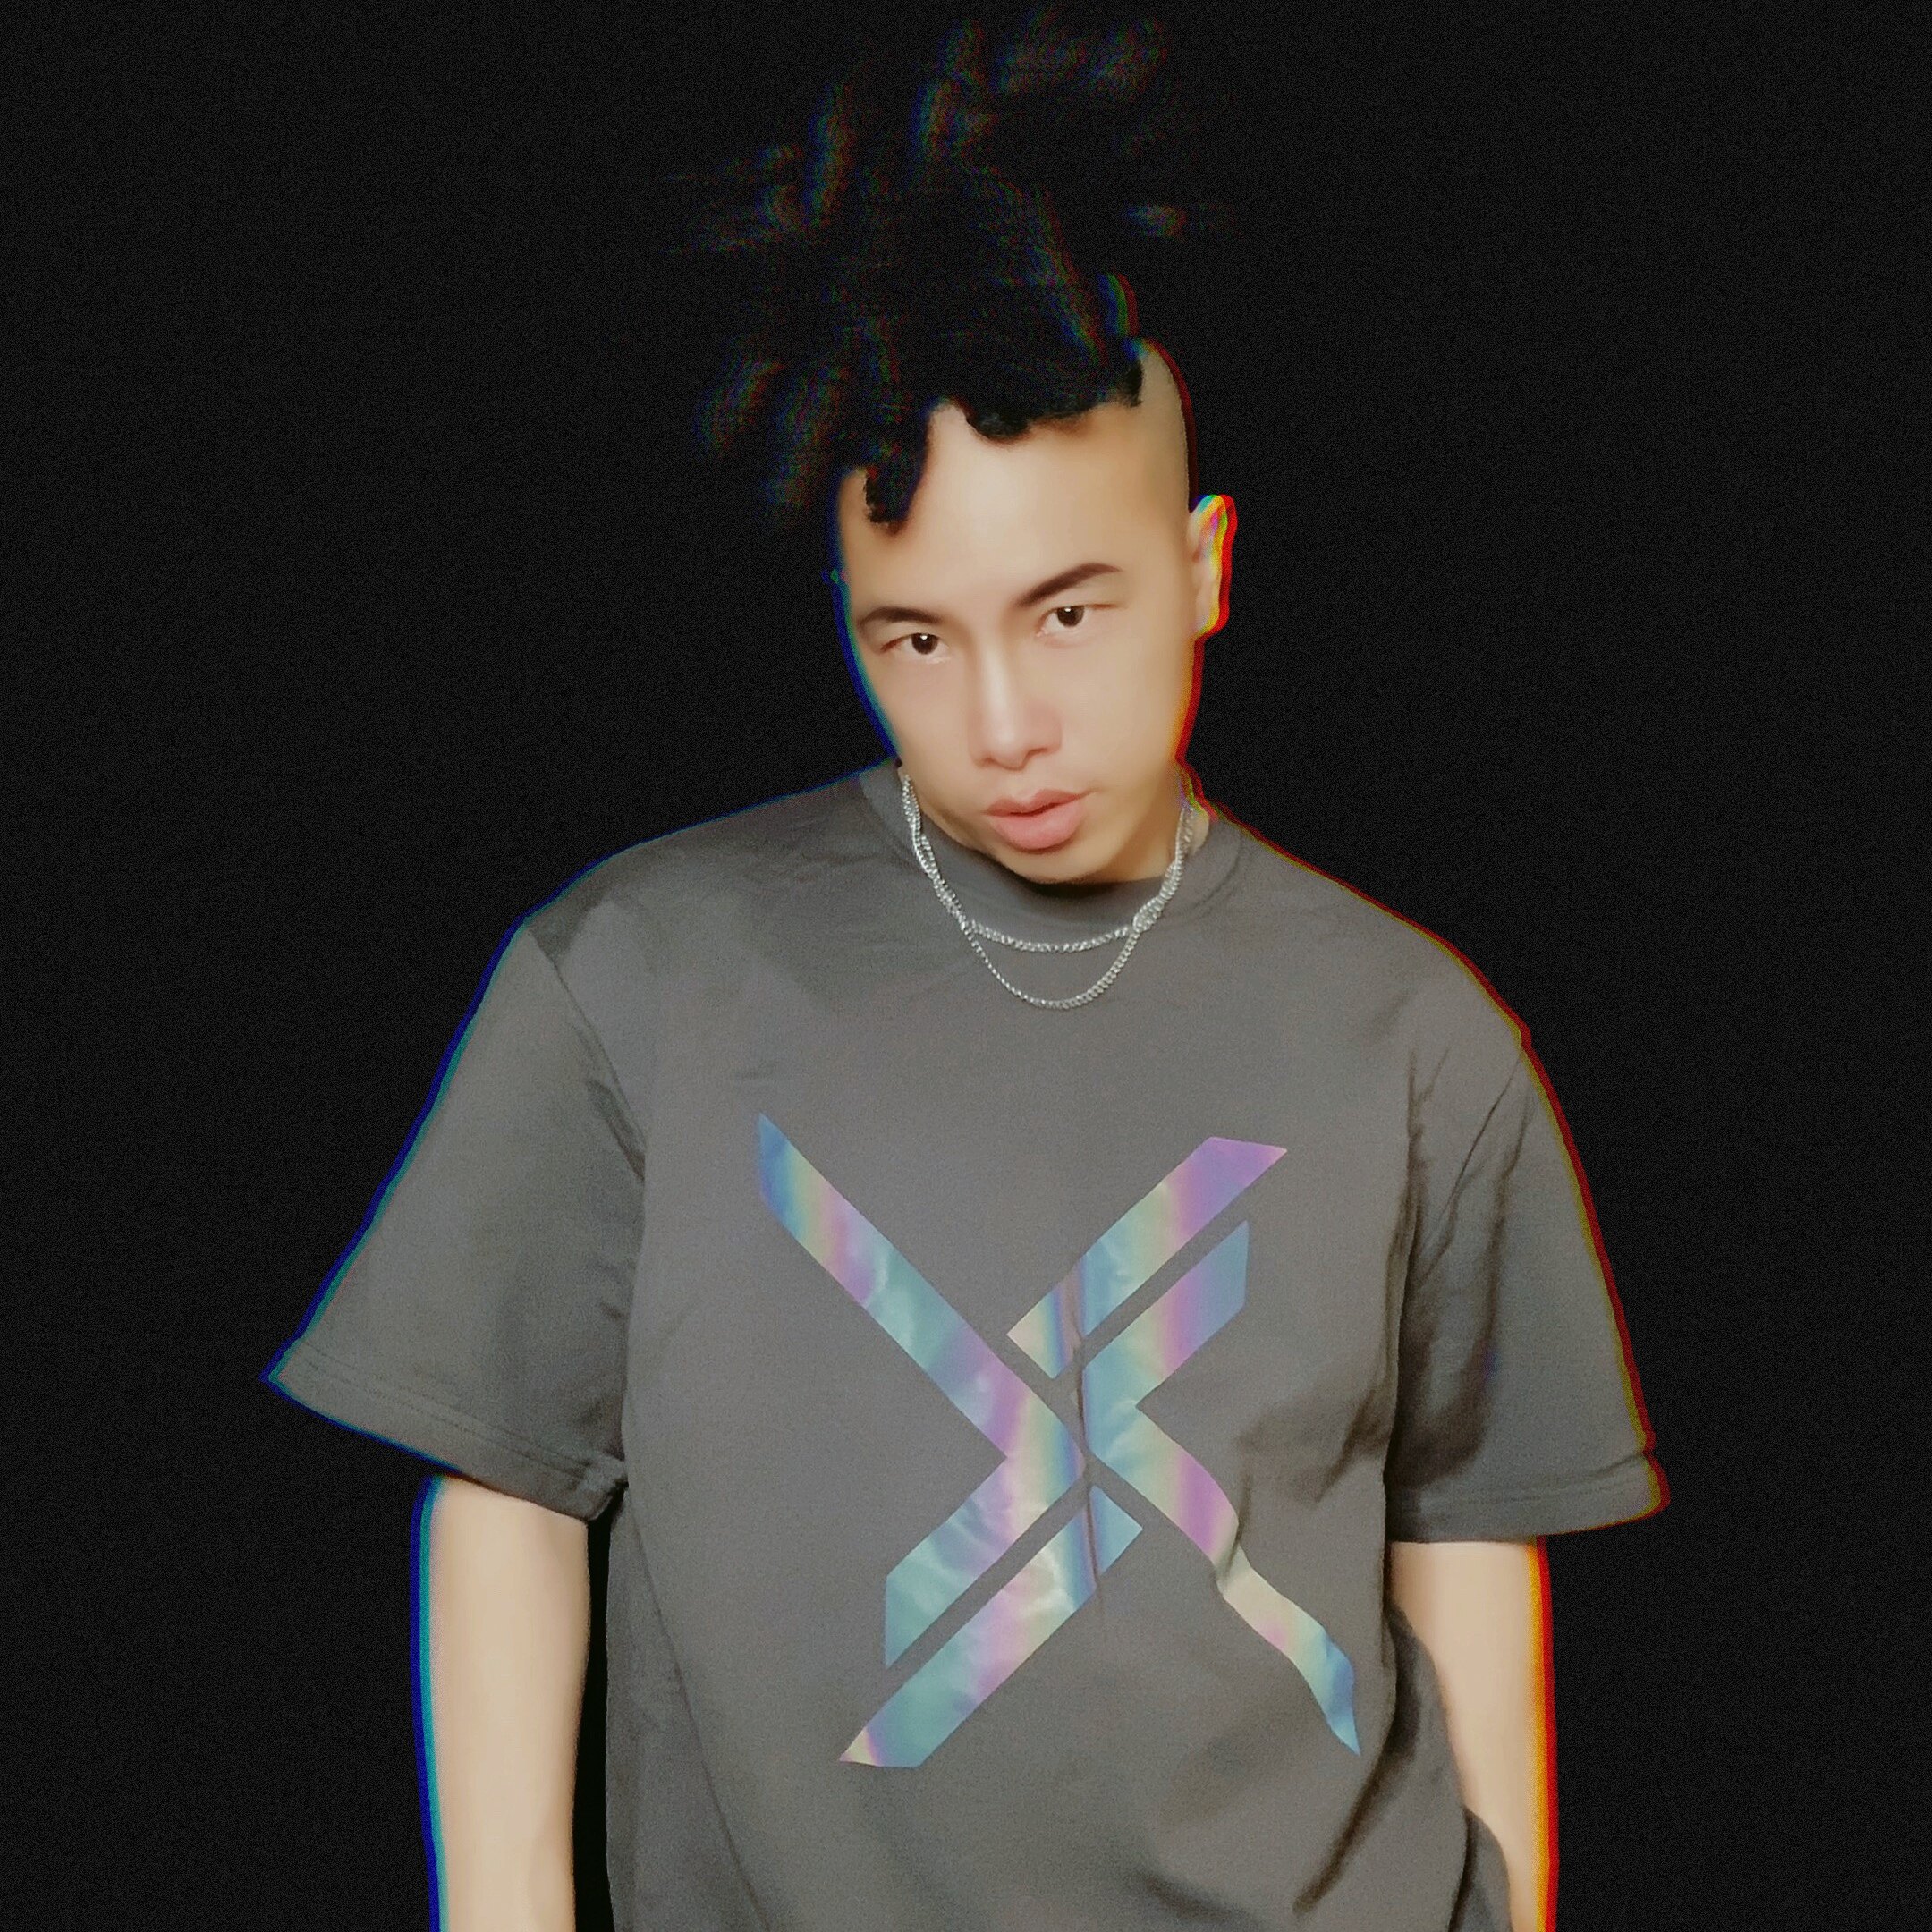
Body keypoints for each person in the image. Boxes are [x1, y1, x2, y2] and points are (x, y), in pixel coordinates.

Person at [260, 13, 1665, 1930]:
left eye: (1068, 613)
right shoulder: (639, 977)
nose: (1003, 722)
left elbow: (1472, 1535)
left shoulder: (1414, 1034)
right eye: (915, 639)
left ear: (1207, 564)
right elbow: (508, 1494)